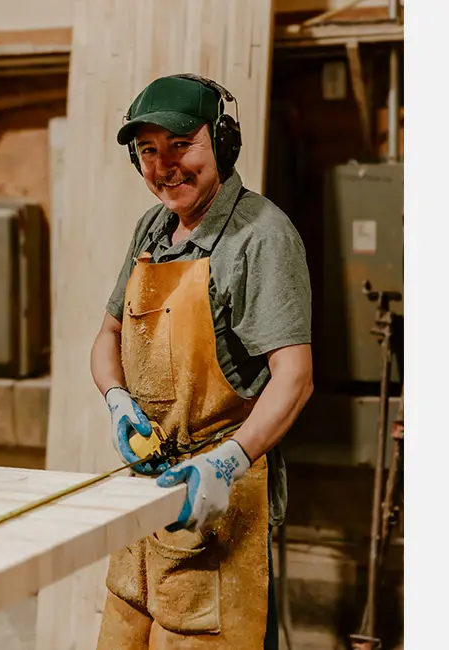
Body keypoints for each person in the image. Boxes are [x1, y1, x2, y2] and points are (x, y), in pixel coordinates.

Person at [90, 73, 314, 649]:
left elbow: (295, 376)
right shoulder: (153, 228)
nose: (165, 167)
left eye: (181, 145)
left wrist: (227, 462)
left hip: (220, 502)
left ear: (222, 141)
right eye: (148, 152)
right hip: (146, 495)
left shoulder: (261, 236)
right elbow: (107, 336)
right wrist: (118, 402)